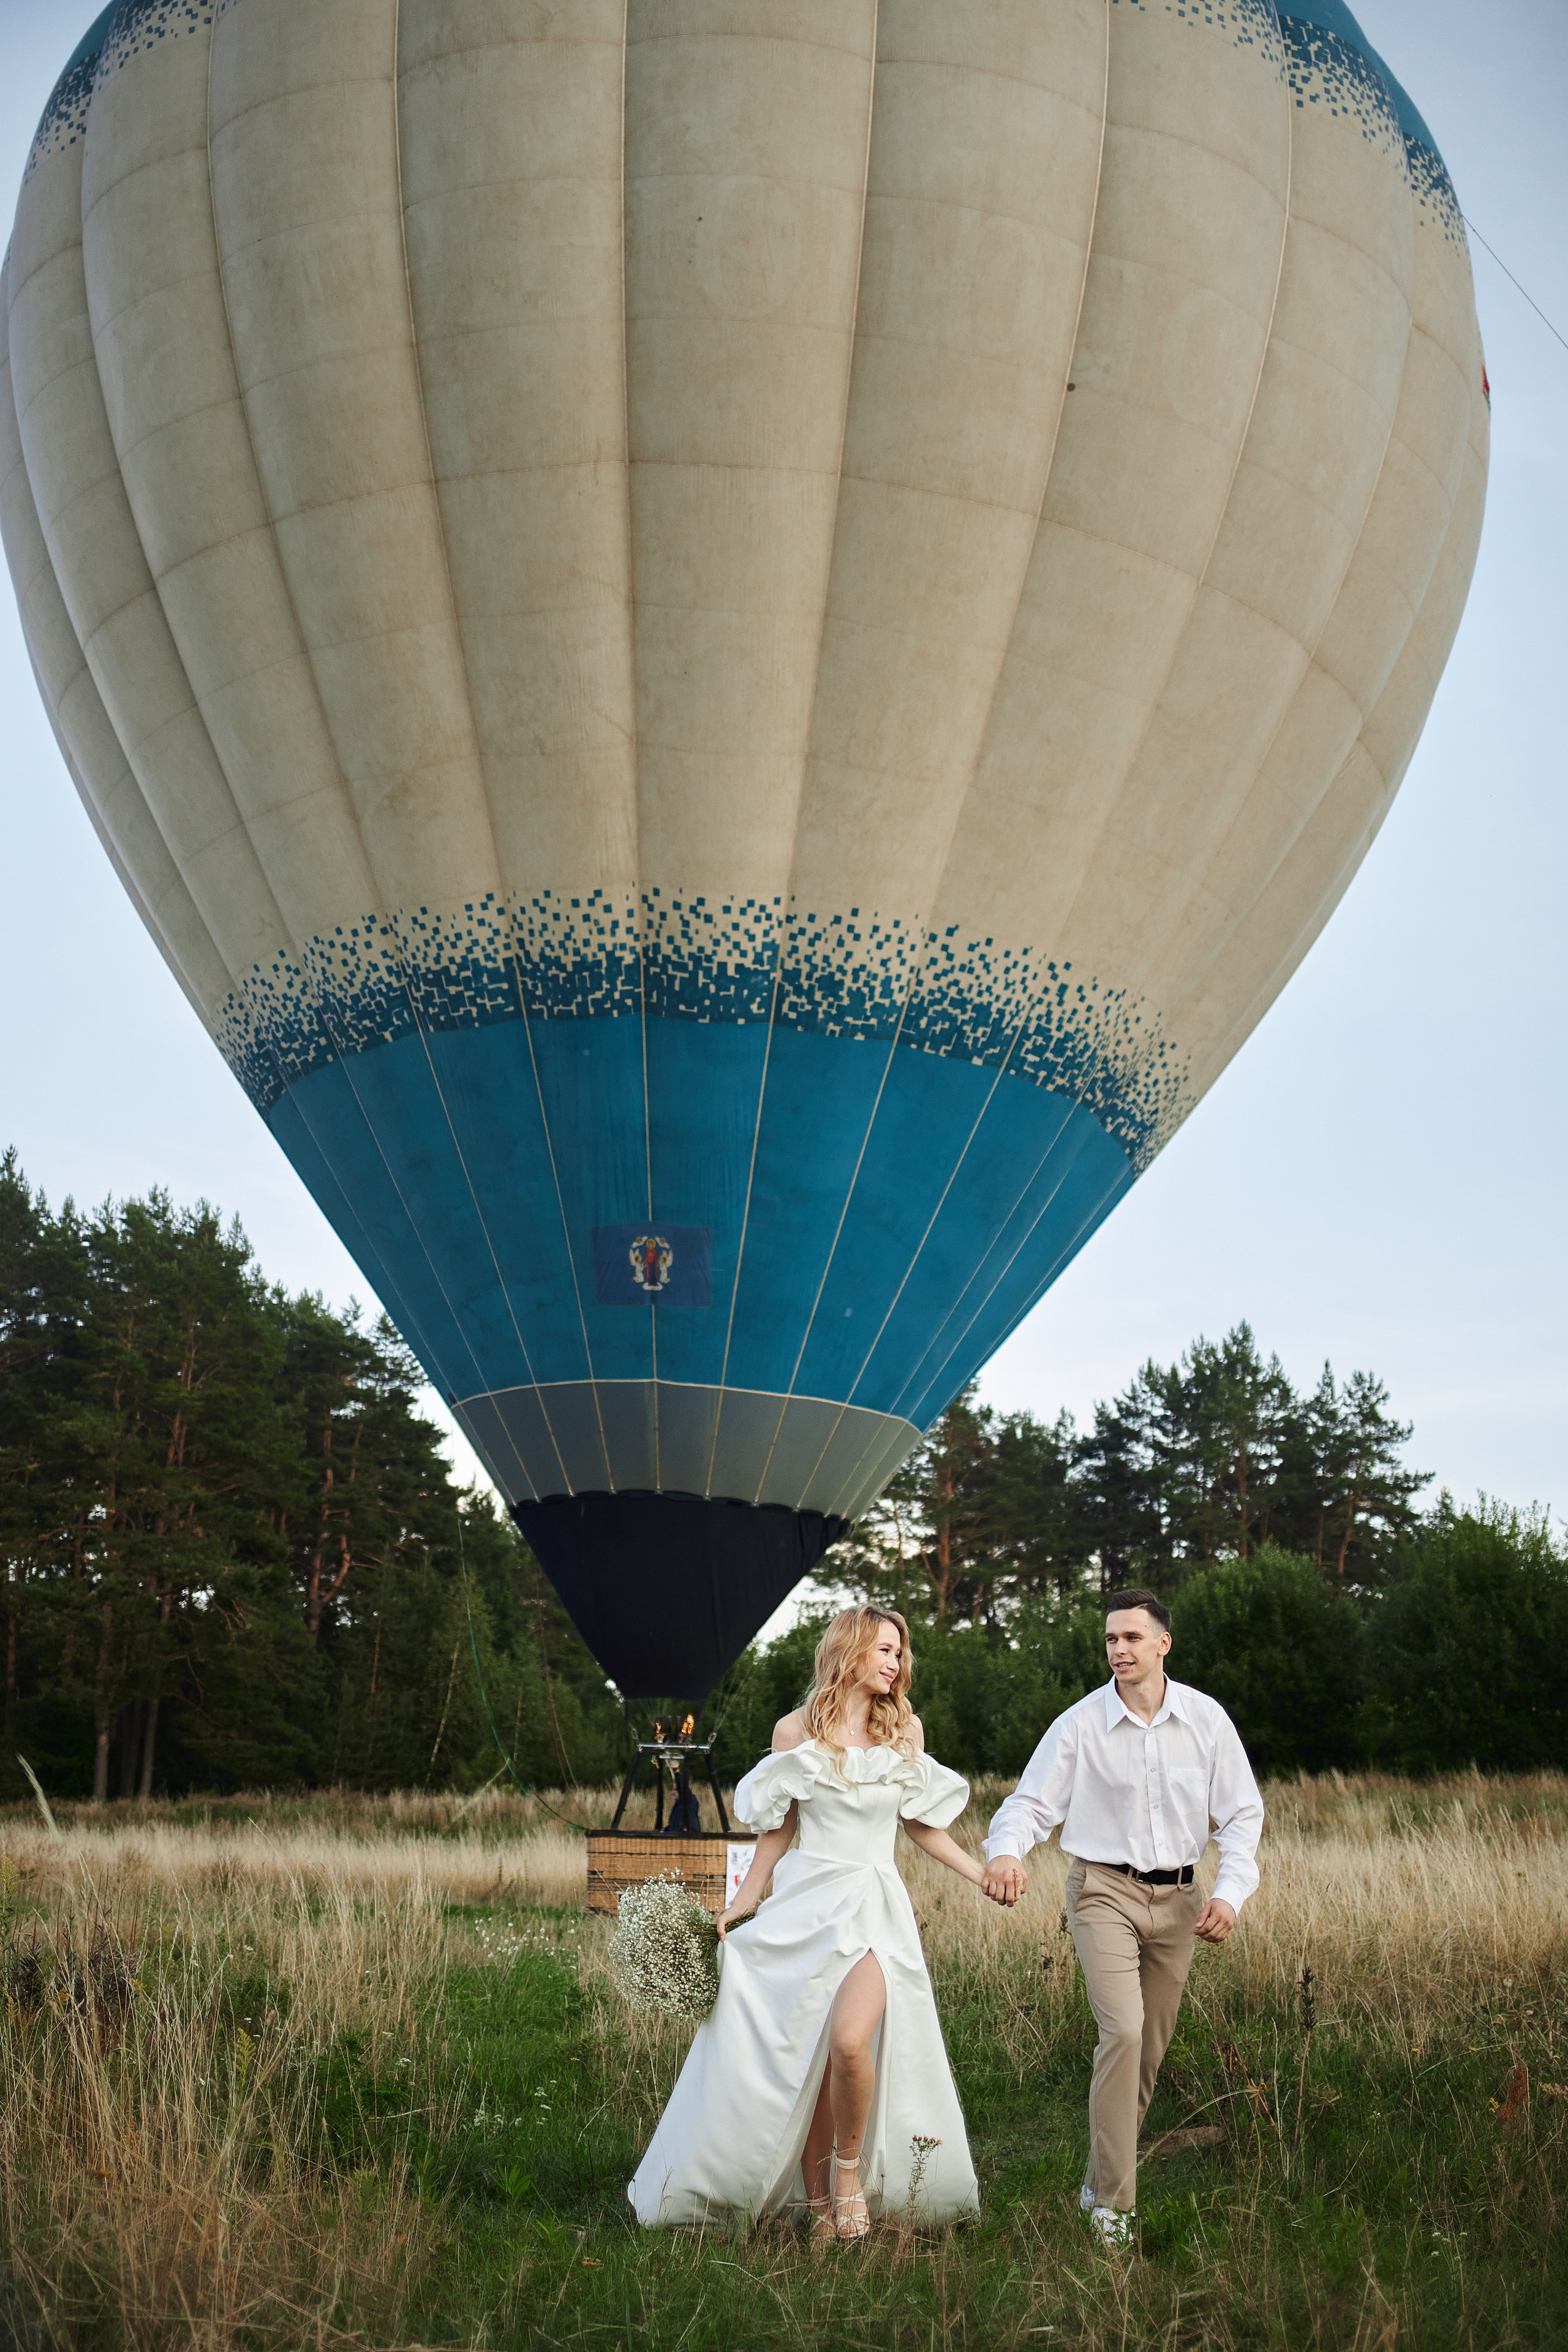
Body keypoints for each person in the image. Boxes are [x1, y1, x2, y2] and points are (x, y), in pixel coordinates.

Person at [628, 1607, 984, 2237]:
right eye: (883, 1650)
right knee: (811, 2058)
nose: (894, 1664)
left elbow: (920, 1825)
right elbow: (778, 1827)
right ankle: (818, 2206)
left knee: (851, 2043)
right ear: (848, 1650)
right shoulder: (795, 1732)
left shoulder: (904, 1729)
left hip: (875, 1902)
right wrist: (745, 1899)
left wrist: (980, 1874)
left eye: (899, 1653)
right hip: (806, 1906)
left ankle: (848, 2174)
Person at [981, 1588, 1264, 2250]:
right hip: (1103, 1893)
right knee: (1125, 2031)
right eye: (1111, 1639)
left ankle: (1094, 2182)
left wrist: (1230, 1894)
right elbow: (1029, 1805)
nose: (1118, 1650)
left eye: (1132, 1638)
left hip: (1184, 1902)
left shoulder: (1205, 1719)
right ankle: (1114, 2205)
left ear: (1163, 1644)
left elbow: (1242, 1816)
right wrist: (1004, 1853)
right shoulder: (1079, 1724)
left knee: (1148, 2053)